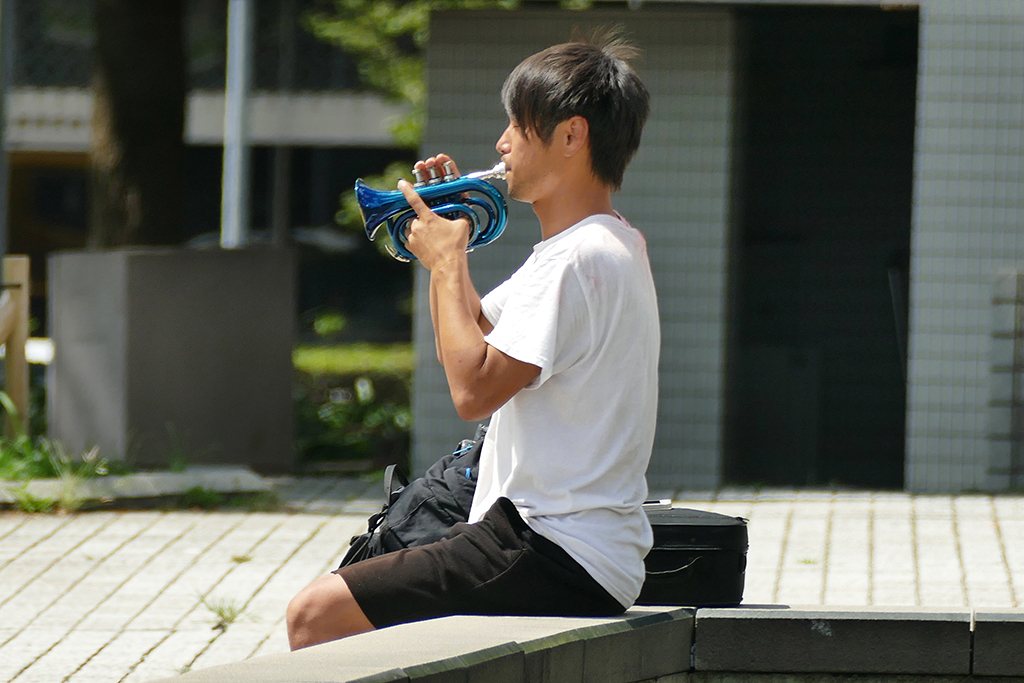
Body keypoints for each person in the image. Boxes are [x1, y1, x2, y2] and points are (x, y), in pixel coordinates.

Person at [286, 29, 659, 650]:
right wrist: (446, 240)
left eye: (518, 124)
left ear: (571, 135)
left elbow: (473, 388)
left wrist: (448, 262)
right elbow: (486, 340)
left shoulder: (577, 258)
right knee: (357, 596)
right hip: (560, 541)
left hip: (552, 545)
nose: (501, 142)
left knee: (314, 614)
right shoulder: (601, 243)